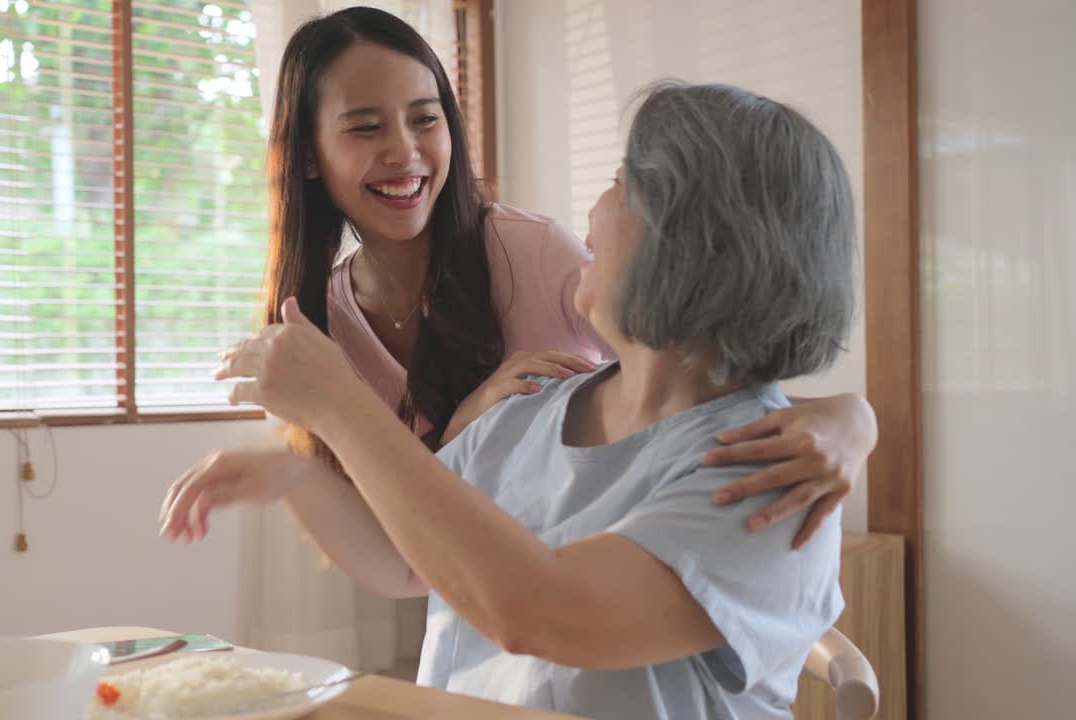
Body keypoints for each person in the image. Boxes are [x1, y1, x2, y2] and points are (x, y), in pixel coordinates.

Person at [166, 80, 856, 719]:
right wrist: (295, 473)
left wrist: (341, 407)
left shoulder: (772, 472)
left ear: (696, 240)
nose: (593, 207)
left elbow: (545, 613)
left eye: (622, 185)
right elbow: (410, 558)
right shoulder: (528, 408)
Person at [260, 7, 871, 544]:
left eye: (425, 118)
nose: (405, 151)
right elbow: (389, 540)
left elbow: (702, 376)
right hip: (467, 599)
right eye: (366, 127)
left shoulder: (531, 251)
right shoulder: (323, 322)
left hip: (602, 560)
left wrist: (851, 420)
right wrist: (464, 429)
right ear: (309, 154)